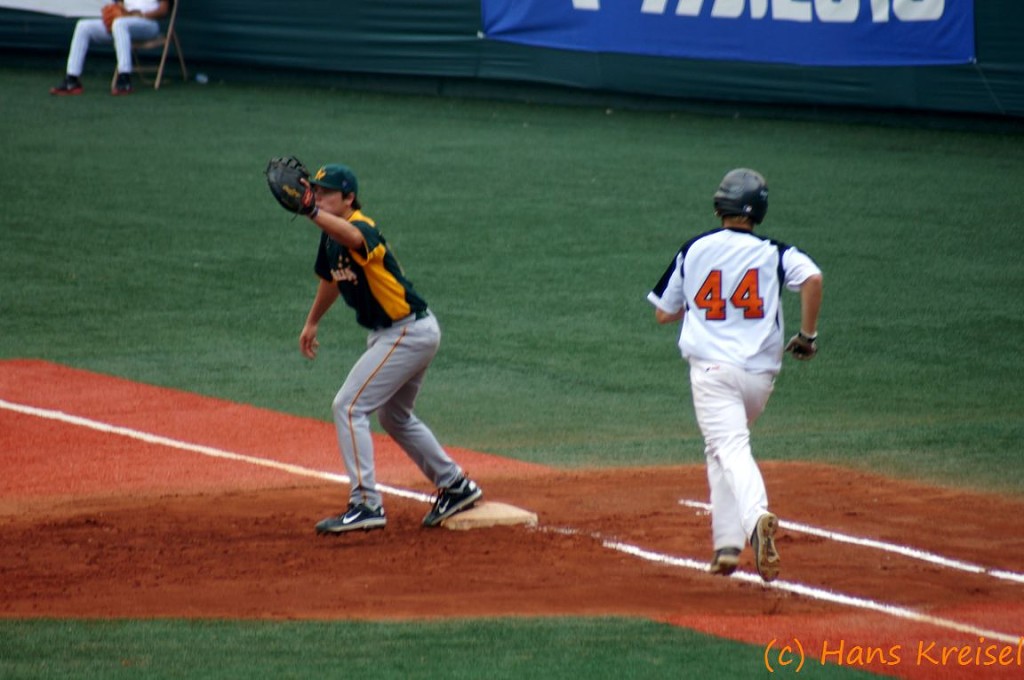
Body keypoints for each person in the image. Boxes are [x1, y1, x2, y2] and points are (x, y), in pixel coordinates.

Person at [647, 168, 823, 583]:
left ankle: (756, 517)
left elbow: (663, 313)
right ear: (758, 211)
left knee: (729, 446)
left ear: (719, 206)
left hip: (712, 374)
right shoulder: (775, 252)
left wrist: (701, 306)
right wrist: (807, 335)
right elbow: (813, 278)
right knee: (720, 448)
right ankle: (726, 545)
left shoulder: (695, 248)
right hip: (760, 379)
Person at [295, 162, 483, 534]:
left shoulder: (361, 226)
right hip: (399, 334)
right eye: (315, 191)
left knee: (349, 406)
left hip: (407, 333)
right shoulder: (329, 236)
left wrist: (313, 212)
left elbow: (353, 238)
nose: (319, 197)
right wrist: (312, 320)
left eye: (327, 192)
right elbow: (331, 278)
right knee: (394, 416)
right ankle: (456, 486)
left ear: (349, 198)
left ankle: (365, 503)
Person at [50, 0, 169, 96]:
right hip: (125, 23)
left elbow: (164, 10)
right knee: (83, 26)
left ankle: (125, 78)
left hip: (148, 23)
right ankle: (72, 79)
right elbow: (120, 4)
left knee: (119, 23)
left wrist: (141, 15)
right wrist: (119, 9)